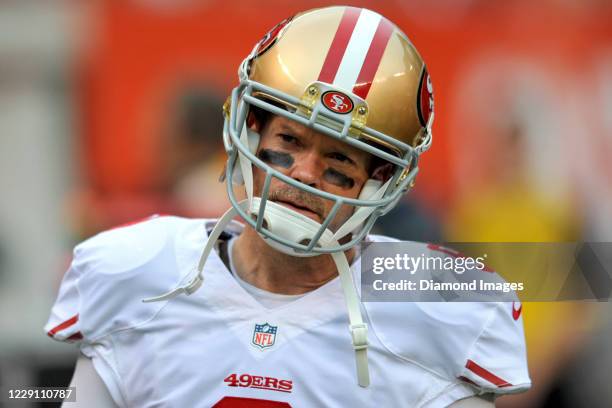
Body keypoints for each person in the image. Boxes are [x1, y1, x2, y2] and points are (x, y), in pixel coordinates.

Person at [45, 6, 530, 407]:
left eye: (339, 160)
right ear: (249, 135)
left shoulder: (437, 307)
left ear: (380, 182)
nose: (303, 172)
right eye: (289, 140)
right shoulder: (141, 275)